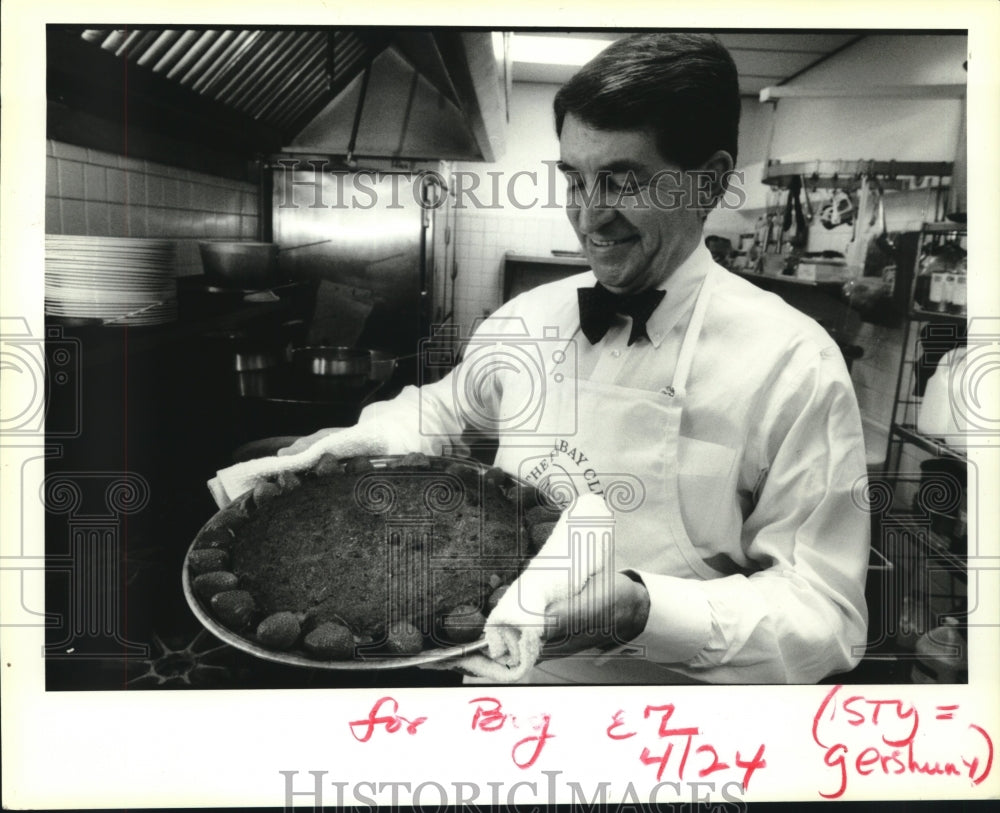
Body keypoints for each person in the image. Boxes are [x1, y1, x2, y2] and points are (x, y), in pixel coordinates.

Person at [220, 33, 870, 684]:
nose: (589, 217)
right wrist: (367, 437)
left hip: (663, 730)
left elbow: (826, 613)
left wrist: (644, 610)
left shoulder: (793, 363)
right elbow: (442, 408)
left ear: (709, 181)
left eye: (622, 181)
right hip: (495, 691)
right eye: (574, 179)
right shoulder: (527, 319)